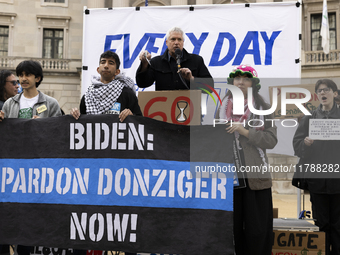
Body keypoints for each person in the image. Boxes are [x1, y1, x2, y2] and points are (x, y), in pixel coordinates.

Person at [216, 65, 277, 255]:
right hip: (228, 178)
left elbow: (271, 140)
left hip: (255, 179)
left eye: (246, 78)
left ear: (253, 84)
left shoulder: (264, 108)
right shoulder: (221, 108)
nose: (240, 82)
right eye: (237, 78)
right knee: (230, 230)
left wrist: (244, 131)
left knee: (257, 231)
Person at [293, 79, 340, 255]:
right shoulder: (309, 118)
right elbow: (297, 145)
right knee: (322, 224)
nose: (322, 93)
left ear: (334, 94)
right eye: (319, 91)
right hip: (318, 181)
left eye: (326, 90)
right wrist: (305, 143)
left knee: (338, 225)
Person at [71, 50, 142, 123]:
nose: (106, 66)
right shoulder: (87, 97)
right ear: (98, 70)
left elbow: (141, 121)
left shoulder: (127, 93)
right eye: (103, 62)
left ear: (117, 71)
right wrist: (76, 115)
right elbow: (83, 123)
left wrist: (131, 115)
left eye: (111, 63)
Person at [136, 27, 213, 91]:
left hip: (190, 106)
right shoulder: (156, 62)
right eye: (173, 39)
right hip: (165, 106)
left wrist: (191, 79)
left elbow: (209, 88)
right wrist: (144, 64)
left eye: (179, 39)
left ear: (183, 42)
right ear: (166, 42)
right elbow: (142, 83)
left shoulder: (196, 61)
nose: (176, 42)